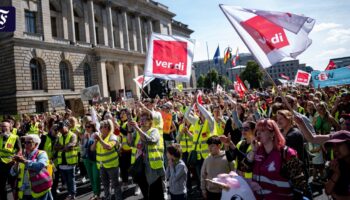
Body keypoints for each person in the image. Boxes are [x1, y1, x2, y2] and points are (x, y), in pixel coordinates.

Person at [249, 119, 311, 200]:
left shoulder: (286, 153)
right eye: (257, 130)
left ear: (273, 133)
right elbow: (243, 168)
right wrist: (253, 151)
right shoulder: (256, 151)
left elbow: (300, 183)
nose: (258, 133)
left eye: (263, 130)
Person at [128, 111, 165, 200]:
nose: (142, 121)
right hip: (140, 166)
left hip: (152, 167)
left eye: (145, 119)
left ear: (150, 121)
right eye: (141, 119)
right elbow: (130, 143)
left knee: (156, 192)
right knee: (145, 191)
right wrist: (129, 129)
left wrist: (137, 128)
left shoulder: (154, 131)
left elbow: (150, 141)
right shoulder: (137, 132)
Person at [11, 134, 53, 200]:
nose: (26, 144)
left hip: (39, 191)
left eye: (29, 142)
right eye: (25, 142)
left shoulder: (41, 153)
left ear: (36, 144)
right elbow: (13, 173)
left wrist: (24, 161)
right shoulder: (22, 155)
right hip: (24, 192)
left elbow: (39, 166)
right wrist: (16, 163)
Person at [91, 119, 122, 200]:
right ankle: (107, 198)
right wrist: (95, 141)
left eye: (103, 127)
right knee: (105, 185)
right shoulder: (99, 137)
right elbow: (92, 149)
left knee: (116, 185)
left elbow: (108, 147)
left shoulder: (113, 136)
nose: (100, 128)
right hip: (102, 165)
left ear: (108, 127)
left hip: (112, 165)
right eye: (100, 127)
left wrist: (99, 139)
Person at [200, 136, 233, 200]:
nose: (209, 148)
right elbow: (203, 175)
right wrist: (203, 190)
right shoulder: (207, 159)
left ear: (219, 146)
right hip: (210, 192)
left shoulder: (227, 158)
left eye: (212, 146)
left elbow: (233, 173)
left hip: (225, 192)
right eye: (208, 146)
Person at [54, 121, 78, 200]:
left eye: (61, 128)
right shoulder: (59, 137)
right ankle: (70, 193)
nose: (60, 130)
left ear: (66, 126)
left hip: (70, 162)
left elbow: (70, 146)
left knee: (71, 180)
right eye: (59, 129)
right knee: (66, 181)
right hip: (62, 163)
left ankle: (72, 194)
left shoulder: (73, 135)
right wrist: (64, 147)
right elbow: (55, 147)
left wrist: (62, 147)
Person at [323, 131, 350, 199]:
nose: (335, 149)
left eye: (339, 144)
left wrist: (340, 198)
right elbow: (328, 191)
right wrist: (336, 174)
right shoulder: (337, 165)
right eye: (333, 146)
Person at [0, 121, 22, 200]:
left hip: (11, 163)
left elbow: (20, 150)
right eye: (2, 126)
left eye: (5, 126)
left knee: (13, 185)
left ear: (10, 127)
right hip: (1, 164)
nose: (3, 128)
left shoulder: (15, 137)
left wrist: (16, 159)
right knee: (2, 185)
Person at [82, 121, 101, 200]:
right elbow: (83, 147)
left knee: (96, 177)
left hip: (95, 159)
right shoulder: (86, 135)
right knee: (91, 178)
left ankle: (98, 194)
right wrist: (84, 139)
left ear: (93, 127)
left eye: (88, 127)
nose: (87, 128)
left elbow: (94, 148)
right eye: (86, 127)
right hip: (86, 159)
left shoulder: (96, 134)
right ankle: (95, 194)